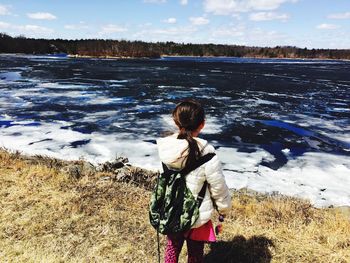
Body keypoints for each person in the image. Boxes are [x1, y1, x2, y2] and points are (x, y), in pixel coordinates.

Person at [156, 99, 232, 263]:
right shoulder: (207, 154)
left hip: (172, 211)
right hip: (197, 215)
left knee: (172, 248)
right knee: (196, 254)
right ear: (202, 124)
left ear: (176, 122)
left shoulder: (166, 149)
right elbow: (218, 187)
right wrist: (223, 210)